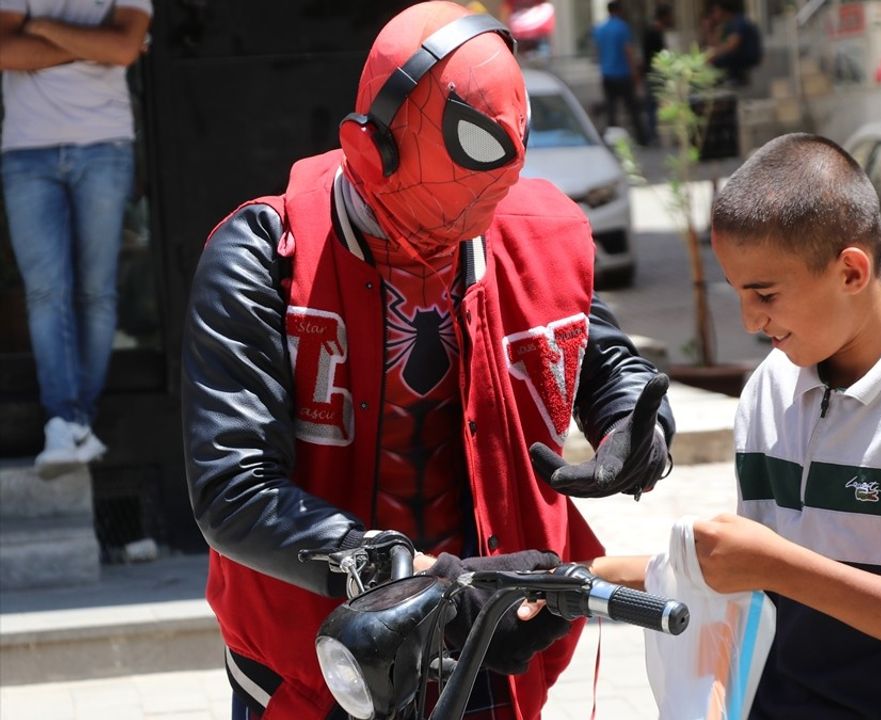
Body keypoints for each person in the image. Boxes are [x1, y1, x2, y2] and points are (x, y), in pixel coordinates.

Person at [180, 4, 675, 719]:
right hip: (317, 658)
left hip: (493, 642)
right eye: (428, 221)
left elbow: (608, 364)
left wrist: (635, 430)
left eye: (483, 211)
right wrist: (414, 575)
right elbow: (233, 486)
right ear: (365, 151)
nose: (448, 245)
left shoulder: (534, 236)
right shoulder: (266, 254)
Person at [596, 133, 881, 718]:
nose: (749, 319)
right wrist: (574, 576)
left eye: (764, 293)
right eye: (738, 293)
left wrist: (776, 565)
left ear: (850, 271)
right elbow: (751, 581)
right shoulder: (769, 388)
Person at [0, 0, 152, 478]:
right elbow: (5, 51)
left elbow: (124, 46)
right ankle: (66, 420)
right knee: (46, 292)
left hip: (103, 145)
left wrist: (39, 26)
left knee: (96, 291)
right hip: (27, 150)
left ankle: (75, 422)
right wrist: (92, 46)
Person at [592, 1, 648, 145]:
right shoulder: (622, 27)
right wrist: (634, 72)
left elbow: (597, 51)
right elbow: (628, 51)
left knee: (611, 110)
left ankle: (612, 140)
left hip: (607, 74)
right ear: (619, 10)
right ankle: (642, 139)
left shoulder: (600, 29)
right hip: (622, 74)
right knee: (632, 108)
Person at [706, 0, 761, 88]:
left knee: (715, 60)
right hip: (738, 54)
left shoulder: (738, 21)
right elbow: (716, 45)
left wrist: (713, 54)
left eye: (716, 11)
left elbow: (732, 45)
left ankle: (735, 79)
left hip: (746, 56)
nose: (714, 15)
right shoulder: (727, 24)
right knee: (713, 59)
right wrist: (711, 29)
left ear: (723, 11)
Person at [641, 4, 673, 145]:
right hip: (655, 72)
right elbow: (660, 55)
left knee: (652, 105)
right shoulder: (654, 33)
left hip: (651, 71)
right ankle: (653, 135)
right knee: (653, 104)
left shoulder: (651, 31)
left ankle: (653, 135)